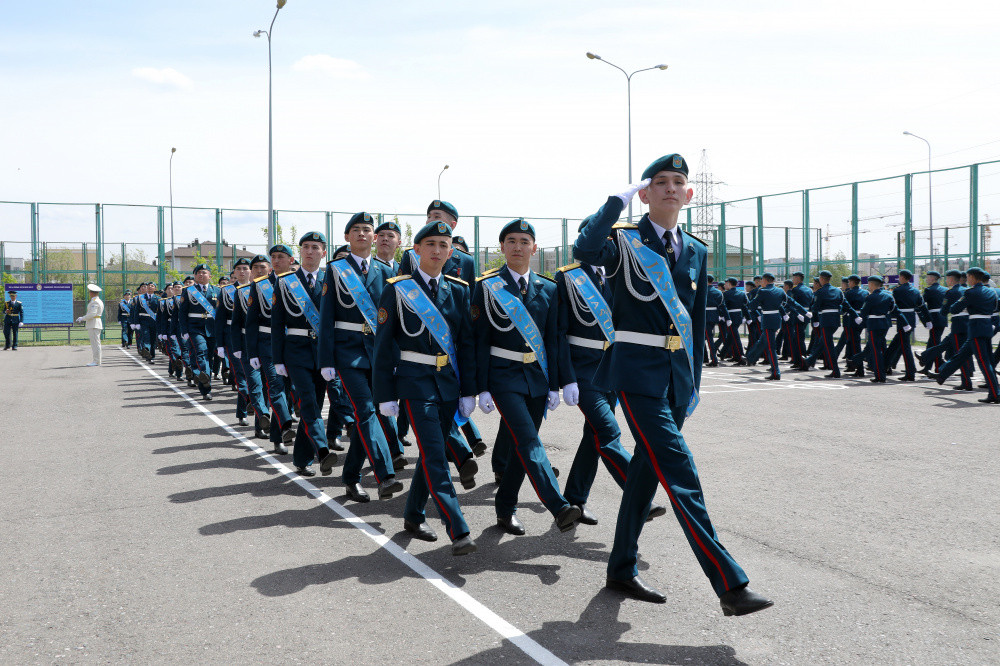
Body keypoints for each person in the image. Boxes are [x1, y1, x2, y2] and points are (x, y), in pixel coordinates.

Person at [575, 154, 772, 615]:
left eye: (677, 181)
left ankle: (621, 568)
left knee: (645, 476)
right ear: (644, 194)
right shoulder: (624, 241)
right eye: (658, 182)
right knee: (681, 474)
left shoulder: (697, 250)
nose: (669, 187)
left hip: (676, 375)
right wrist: (612, 205)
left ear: (688, 194)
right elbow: (584, 252)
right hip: (635, 371)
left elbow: (696, 321)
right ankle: (730, 584)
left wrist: (694, 383)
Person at [373, 220, 478, 555]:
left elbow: (466, 345)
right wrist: (385, 395)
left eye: (443, 245)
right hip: (414, 382)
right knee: (434, 454)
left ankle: (413, 514)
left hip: (448, 383)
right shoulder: (398, 288)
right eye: (429, 244)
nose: (436, 250)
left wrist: (470, 391)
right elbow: (383, 346)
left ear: (451, 252)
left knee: (431, 454)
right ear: (416, 250)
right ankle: (458, 528)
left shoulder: (459, 290)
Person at [473, 217, 581, 536]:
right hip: (502, 376)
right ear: (501, 247)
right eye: (512, 241)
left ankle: (505, 510)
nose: (518, 247)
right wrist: (480, 388)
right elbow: (477, 342)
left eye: (524, 242)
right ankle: (558, 506)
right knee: (529, 440)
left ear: (534, 248)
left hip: (536, 376)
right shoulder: (487, 286)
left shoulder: (548, 288)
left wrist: (555, 385)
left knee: (522, 449)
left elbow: (554, 339)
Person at [555, 218, 667, 525]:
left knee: (593, 436)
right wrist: (566, 379)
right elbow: (559, 334)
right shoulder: (568, 279)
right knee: (608, 431)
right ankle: (639, 499)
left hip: (615, 368)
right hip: (584, 372)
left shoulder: (624, 275)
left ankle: (574, 501)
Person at [318, 216, 403, 500]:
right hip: (347, 352)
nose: (363, 234)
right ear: (347, 236)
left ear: (375, 237)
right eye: (356, 230)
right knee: (366, 410)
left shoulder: (384, 270)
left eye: (368, 230)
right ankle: (385, 476)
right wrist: (326, 359)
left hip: (377, 352)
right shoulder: (336, 270)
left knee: (373, 414)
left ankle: (351, 476)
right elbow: (326, 316)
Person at [247, 246, 298, 455]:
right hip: (267, 343)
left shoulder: (298, 282)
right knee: (276, 386)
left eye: (281, 257)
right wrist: (251, 353)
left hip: (294, 344)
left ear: (290, 259)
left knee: (288, 390)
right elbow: (251, 322)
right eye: (274, 257)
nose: (276, 260)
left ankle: (278, 436)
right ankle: (286, 424)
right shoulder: (260, 286)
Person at [925, 267, 1000, 403]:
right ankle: (942, 375)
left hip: (976, 328)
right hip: (986, 327)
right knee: (962, 354)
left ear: (971, 277)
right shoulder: (991, 292)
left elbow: (954, 308)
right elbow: (995, 307)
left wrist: (967, 306)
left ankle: (995, 394)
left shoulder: (970, 292)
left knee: (984, 363)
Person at [919, 269, 974, 390]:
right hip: (969, 324)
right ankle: (927, 358)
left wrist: (946, 310)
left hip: (958, 325)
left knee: (960, 354)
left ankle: (965, 381)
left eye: (947, 278)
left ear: (950, 279)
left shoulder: (951, 292)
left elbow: (944, 311)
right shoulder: (967, 290)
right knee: (948, 346)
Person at [850, 275, 909, 383]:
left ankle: (880, 376)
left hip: (874, 325)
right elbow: (896, 311)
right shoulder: (888, 296)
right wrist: (905, 323)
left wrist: (860, 318)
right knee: (878, 349)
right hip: (884, 324)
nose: (868, 286)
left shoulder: (870, 297)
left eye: (869, 284)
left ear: (872, 284)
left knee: (875, 351)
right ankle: (858, 361)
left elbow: (865, 311)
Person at [179, 264, 220, 401]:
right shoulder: (189, 291)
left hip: (212, 328)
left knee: (210, 356)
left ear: (210, 275)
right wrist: (184, 330)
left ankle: (204, 377)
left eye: (204, 272)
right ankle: (206, 387)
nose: (201, 275)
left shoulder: (217, 291)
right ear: (195, 276)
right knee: (201, 352)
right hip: (195, 328)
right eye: (198, 273)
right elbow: (183, 312)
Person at [884, 269, 930, 381]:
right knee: (895, 344)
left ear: (903, 278)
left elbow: (893, 307)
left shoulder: (897, 291)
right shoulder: (915, 291)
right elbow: (922, 306)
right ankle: (885, 365)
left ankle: (910, 373)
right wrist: (928, 320)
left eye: (900, 277)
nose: (899, 279)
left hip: (902, 319)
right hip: (911, 319)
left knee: (905, 347)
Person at [799, 270, 846, 378]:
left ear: (822, 279)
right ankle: (810, 359)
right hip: (835, 320)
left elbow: (815, 307)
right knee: (823, 341)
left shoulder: (820, 292)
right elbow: (842, 304)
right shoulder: (838, 291)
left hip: (825, 320)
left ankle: (835, 371)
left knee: (828, 345)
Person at [744, 272, 787, 380]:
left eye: (762, 280)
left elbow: (752, 306)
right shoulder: (780, 290)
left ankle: (776, 372)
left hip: (767, 321)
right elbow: (784, 303)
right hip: (777, 320)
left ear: (766, 280)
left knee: (770, 347)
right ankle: (750, 357)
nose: (761, 282)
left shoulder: (762, 291)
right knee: (762, 341)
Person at [834, 275, 867, 371]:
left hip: (851, 319)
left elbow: (845, 307)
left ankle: (856, 367)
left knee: (853, 344)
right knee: (852, 342)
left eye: (849, 282)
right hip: (861, 319)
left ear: (852, 282)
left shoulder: (849, 293)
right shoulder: (865, 292)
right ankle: (851, 364)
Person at [920, 270, 948, 371]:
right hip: (943, 318)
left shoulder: (929, 290)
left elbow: (921, 303)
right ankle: (927, 366)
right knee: (932, 342)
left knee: (935, 343)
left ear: (932, 278)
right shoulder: (945, 289)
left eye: (928, 277)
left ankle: (939, 366)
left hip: (934, 318)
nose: (926, 279)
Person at [721, 278, 747, 364]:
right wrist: (745, 316)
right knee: (732, 336)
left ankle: (741, 357)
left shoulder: (726, 294)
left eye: (726, 283)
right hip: (738, 316)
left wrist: (724, 317)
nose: (725, 285)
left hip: (730, 317)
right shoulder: (742, 293)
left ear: (729, 284)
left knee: (735, 338)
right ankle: (733, 355)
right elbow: (745, 305)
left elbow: (723, 306)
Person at [704, 275, 724, 367]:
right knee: (708, 337)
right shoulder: (718, 292)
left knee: (708, 338)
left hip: (704, 316)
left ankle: (713, 359)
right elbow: (721, 304)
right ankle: (706, 357)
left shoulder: (702, 290)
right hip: (714, 316)